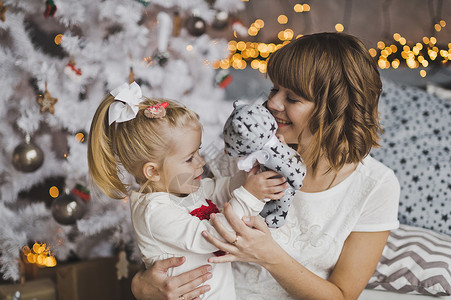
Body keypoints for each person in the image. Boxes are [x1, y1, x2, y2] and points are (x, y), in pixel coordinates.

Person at [131, 32, 400, 300]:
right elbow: (165, 217)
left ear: (336, 111)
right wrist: (141, 286)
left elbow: (342, 296)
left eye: (292, 98)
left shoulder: (375, 185)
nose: (272, 103)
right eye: (274, 89)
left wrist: (269, 256)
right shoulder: (244, 152)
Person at [87, 82, 288, 299]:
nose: (201, 162)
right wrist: (250, 195)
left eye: (198, 151)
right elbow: (210, 236)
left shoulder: (183, 189)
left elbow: (222, 190)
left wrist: (250, 177)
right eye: (189, 158)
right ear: (153, 172)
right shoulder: (154, 211)